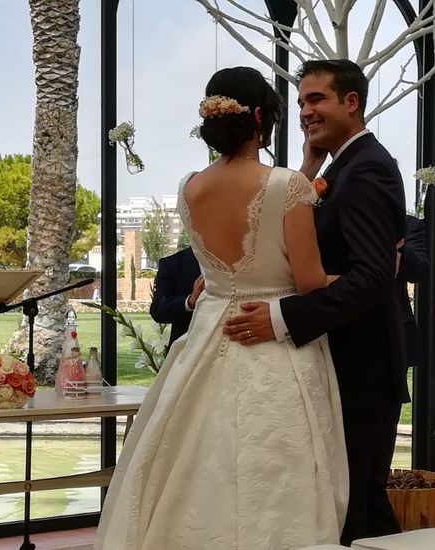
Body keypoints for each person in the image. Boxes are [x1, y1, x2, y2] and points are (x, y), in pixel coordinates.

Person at [95, 67, 348, 549]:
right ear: (259, 118)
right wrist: (369, 275)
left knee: (195, 456)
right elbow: (311, 281)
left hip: (210, 328)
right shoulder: (289, 185)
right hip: (273, 338)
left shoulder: (191, 187)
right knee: (276, 466)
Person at [223, 59, 409, 545]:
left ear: (352, 102)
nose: (305, 111)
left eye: (316, 99)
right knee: (346, 502)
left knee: (359, 503)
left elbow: (372, 279)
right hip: (338, 360)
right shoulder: (342, 164)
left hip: (362, 363)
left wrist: (282, 317)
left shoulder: (368, 168)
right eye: (302, 102)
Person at [148, 246, 202, 350]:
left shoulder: (241, 261)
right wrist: (190, 301)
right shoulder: (172, 264)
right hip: (186, 352)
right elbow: (158, 310)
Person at [397, 214, 430, 369]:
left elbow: (418, 272)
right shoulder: (337, 219)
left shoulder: (409, 225)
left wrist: (400, 244)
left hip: (396, 331)